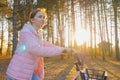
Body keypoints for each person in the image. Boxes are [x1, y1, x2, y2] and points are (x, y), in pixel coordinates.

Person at [6, 8, 74, 80]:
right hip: (18, 73)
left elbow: (48, 45)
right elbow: (37, 50)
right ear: (32, 20)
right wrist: (62, 51)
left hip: (30, 72)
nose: (43, 19)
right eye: (40, 17)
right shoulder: (26, 32)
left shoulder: (37, 35)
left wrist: (65, 49)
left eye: (44, 17)